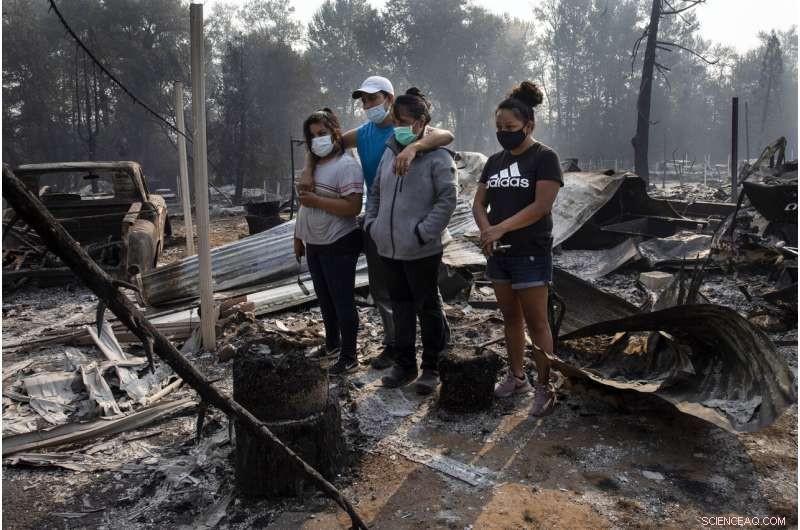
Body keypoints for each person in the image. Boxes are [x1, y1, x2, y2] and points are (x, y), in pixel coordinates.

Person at [298, 76, 454, 370]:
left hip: (415, 223)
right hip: (381, 221)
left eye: (373, 98)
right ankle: (396, 346)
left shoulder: (410, 129)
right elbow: (323, 143)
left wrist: (414, 148)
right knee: (385, 290)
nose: (368, 105)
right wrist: (308, 167)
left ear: (389, 99)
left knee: (425, 293)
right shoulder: (365, 133)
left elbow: (446, 136)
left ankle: (439, 349)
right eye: (364, 100)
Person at [471, 81, 563, 417]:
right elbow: (479, 203)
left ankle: (544, 386)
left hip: (531, 253)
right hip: (499, 254)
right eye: (499, 128)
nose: (503, 133)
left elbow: (541, 206)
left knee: (537, 322)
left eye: (510, 128)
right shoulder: (494, 162)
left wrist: (501, 227)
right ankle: (517, 377)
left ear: (529, 126)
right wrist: (487, 231)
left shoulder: (545, 158)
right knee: (511, 318)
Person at [363, 88, 457, 395]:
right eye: (395, 121)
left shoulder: (438, 157)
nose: (397, 127)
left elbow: (447, 199)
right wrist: (373, 225)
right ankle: (404, 365)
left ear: (420, 123)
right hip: (389, 247)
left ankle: (431, 367)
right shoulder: (390, 151)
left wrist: (423, 233)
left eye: (403, 121)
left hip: (421, 249)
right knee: (400, 306)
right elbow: (376, 192)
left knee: (427, 307)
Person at [294, 108, 364, 375]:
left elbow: (353, 207)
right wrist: (298, 236)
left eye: (322, 133)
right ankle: (332, 344)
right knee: (325, 298)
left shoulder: (347, 166)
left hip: (339, 242)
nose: (317, 139)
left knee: (342, 300)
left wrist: (317, 200)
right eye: (312, 136)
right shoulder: (312, 167)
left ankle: (350, 356)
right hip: (315, 242)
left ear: (336, 132)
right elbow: (304, 206)